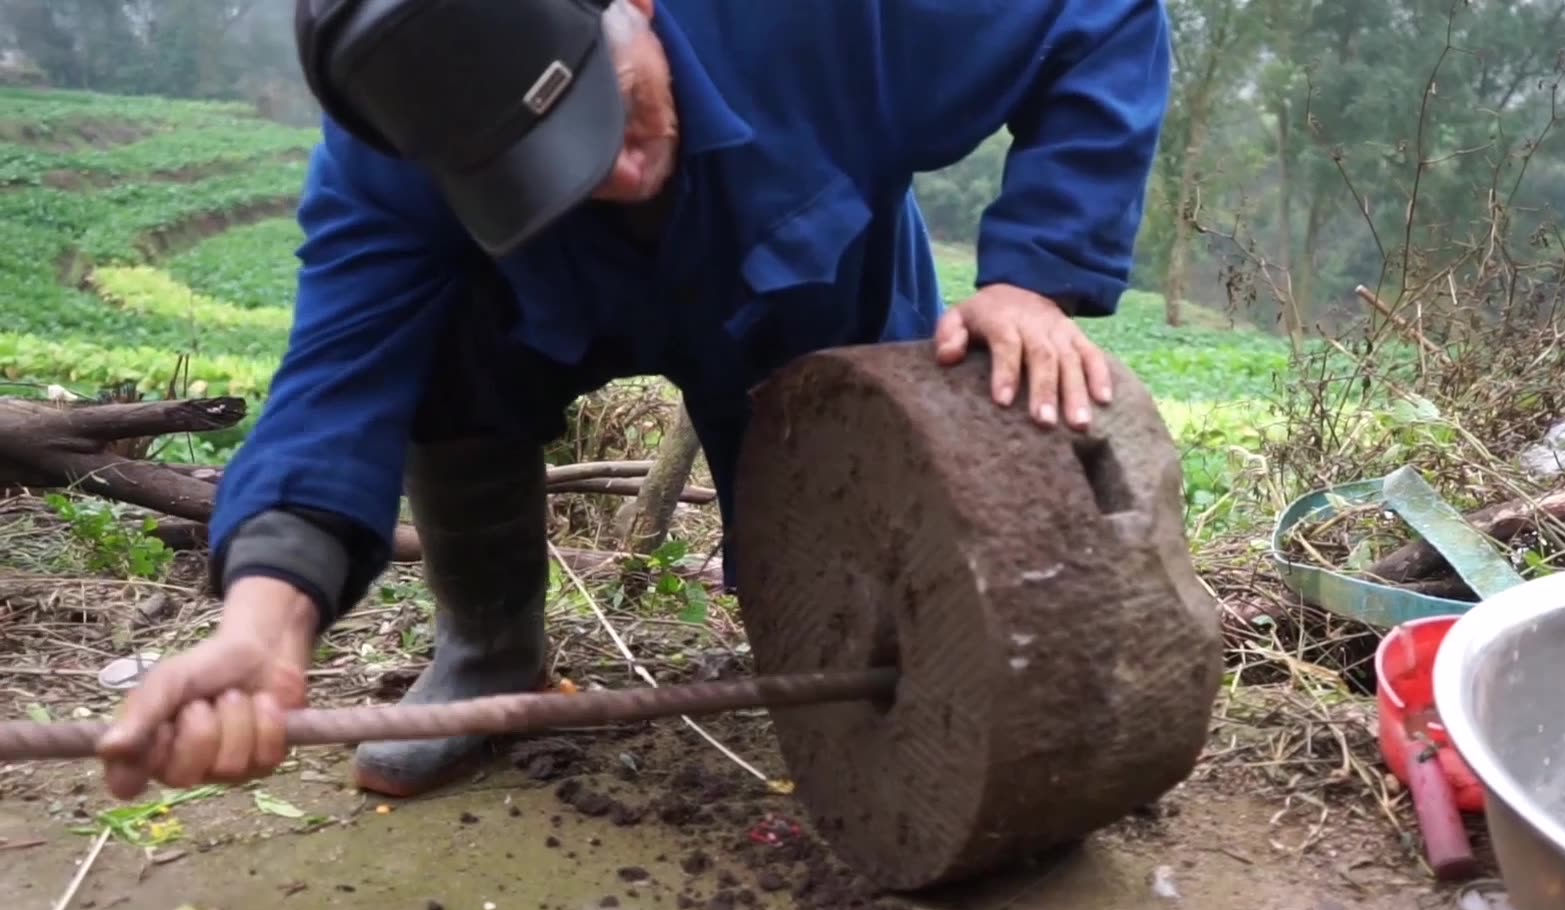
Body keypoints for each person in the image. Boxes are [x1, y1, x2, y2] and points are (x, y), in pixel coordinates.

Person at [93, 0, 1172, 802]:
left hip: (796, 277)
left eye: (603, 111)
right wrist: (265, 627)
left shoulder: (835, 19)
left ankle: (823, 646)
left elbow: (1100, 13)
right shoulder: (394, 153)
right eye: (538, 162)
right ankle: (489, 644)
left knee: (830, 562)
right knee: (431, 351)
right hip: (545, 294)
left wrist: (1036, 273)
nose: (610, 172)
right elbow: (338, 377)